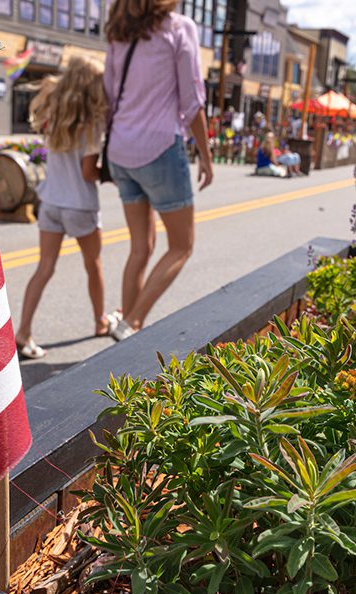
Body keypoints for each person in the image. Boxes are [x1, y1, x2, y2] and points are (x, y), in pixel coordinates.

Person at [103, 0, 213, 340]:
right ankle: (132, 323)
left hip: (120, 149)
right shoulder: (179, 28)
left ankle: (127, 328)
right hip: (160, 147)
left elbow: (108, 96)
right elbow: (192, 101)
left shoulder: (119, 32)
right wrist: (206, 157)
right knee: (181, 246)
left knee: (141, 247)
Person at [14, 57, 111, 359]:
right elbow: (87, 173)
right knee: (93, 265)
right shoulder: (92, 123)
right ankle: (99, 321)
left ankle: (24, 331)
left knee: (44, 268)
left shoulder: (54, 114)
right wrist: (108, 173)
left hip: (51, 202)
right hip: (79, 204)